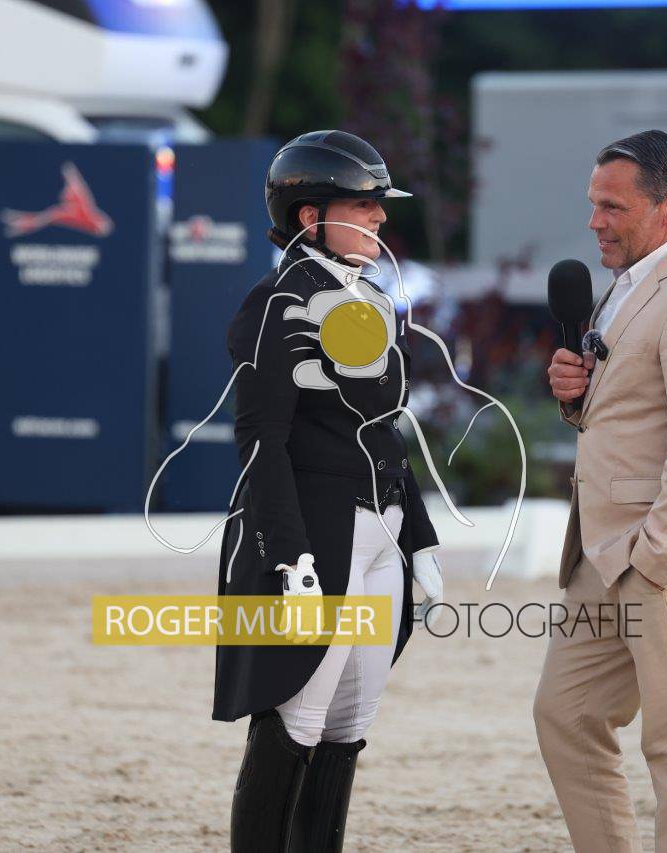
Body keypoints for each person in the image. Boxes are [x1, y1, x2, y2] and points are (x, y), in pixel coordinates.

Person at [215, 130, 444, 853]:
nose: (380, 218)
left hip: (382, 536)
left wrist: (419, 535)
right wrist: (289, 556)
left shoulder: (368, 298)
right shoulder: (274, 303)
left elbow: (384, 429)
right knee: (297, 719)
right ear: (310, 216)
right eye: (363, 206)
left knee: (349, 725)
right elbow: (261, 441)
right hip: (317, 538)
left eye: (380, 206)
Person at [534, 130, 667, 852]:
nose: (594, 221)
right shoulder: (632, 279)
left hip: (663, 558)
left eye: (612, 207)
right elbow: (627, 409)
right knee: (566, 715)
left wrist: (656, 558)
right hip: (602, 553)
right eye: (593, 204)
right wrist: (576, 395)